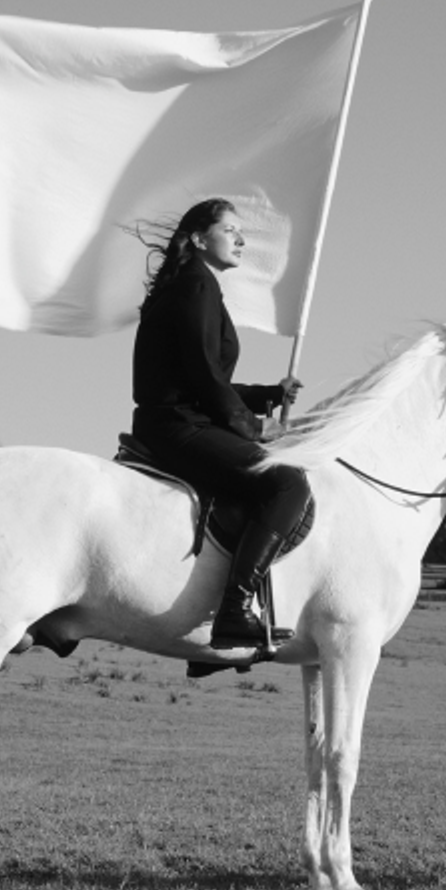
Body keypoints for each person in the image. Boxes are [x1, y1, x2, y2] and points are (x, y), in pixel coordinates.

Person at [131, 197, 311, 648]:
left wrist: (268, 396)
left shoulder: (194, 285)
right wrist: (254, 427)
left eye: (239, 231)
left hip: (179, 417)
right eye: (230, 230)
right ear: (197, 238)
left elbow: (202, 376)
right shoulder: (196, 287)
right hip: (178, 426)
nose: (241, 239)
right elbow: (206, 379)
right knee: (288, 484)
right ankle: (234, 608)